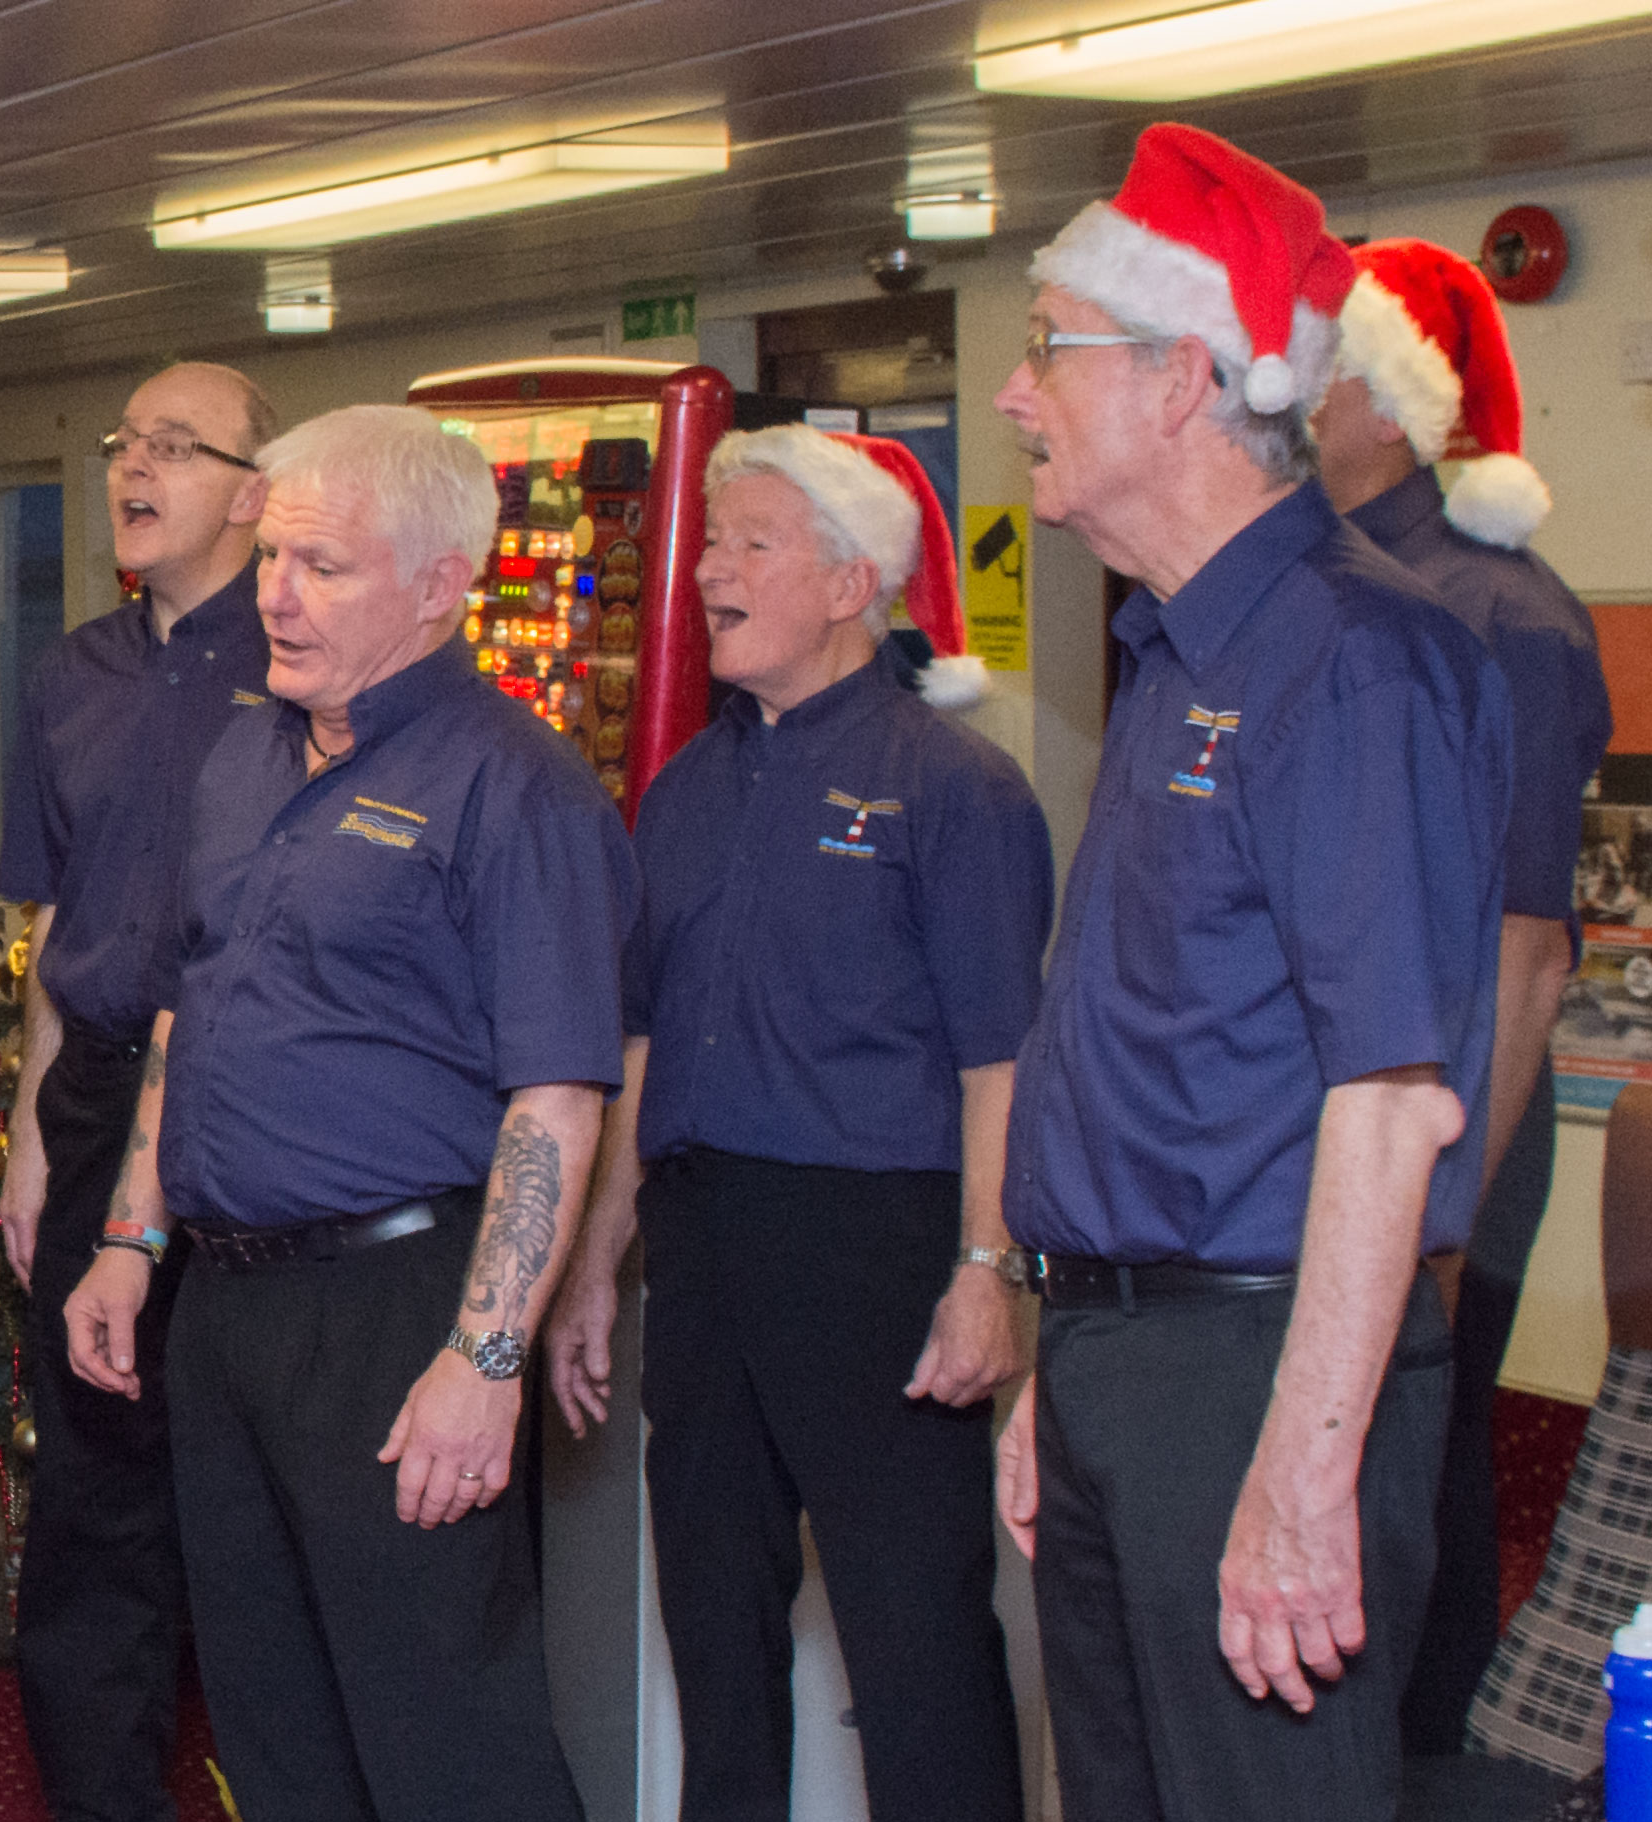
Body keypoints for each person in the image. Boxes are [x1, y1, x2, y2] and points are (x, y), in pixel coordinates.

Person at [993, 122, 1509, 1821]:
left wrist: (1302, 1466)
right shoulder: (1169, 653)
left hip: (1260, 1369)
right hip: (1129, 1360)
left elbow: (1389, 1099)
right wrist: (1066, 1358)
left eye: (1046, 346)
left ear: (1179, 380)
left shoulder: (1353, 660)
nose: (1010, 393)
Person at [55, 403, 628, 1822]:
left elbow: (555, 1097)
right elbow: (186, 1010)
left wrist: (482, 1357)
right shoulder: (245, 757)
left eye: (322, 566)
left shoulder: (515, 786)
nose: (276, 595)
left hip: (394, 1304)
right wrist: (129, 1238)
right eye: (271, 558)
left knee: (443, 1734)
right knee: (270, 1724)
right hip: (222, 1305)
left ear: (438, 586)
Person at [543, 426, 1048, 1818]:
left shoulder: (954, 787)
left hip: (876, 1250)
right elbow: (640, 1047)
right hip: (702, 1242)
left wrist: (987, 1273)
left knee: (914, 1635)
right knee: (711, 1619)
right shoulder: (681, 790)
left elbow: (1002, 1064)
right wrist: (591, 1264)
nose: (705, 571)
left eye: (747, 544)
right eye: (708, 543)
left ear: (846, 583)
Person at [1313, 237, 1616, 1755]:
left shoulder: (1504, 618)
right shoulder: (1315, 595)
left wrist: (1439, 1223)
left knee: (1406, 1514)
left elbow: (1525, 954)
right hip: (1330, 1146)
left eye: (1315, 369)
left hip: (1449, 1152)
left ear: (1391, 404)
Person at [0, 360, 274, 1822]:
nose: (134, 466)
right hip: (95, 1102)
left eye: (176, 445)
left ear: (252, 490)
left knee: (235, 1479)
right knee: (91, 1488)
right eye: (123, 441)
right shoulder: (69, 677)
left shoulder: (300, 662)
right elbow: (52, 928)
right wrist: (31, 1139)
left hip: (254, 1118)